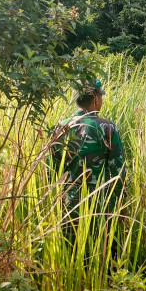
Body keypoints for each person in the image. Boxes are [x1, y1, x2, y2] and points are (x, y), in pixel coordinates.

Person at [49, 79, 126, 228]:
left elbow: (50, 169)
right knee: (102, 248)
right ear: (96, 99)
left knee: (71, 248)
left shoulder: (61, 127)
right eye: (101, 97)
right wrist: (121, 202)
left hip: (68, 205)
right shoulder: (106, 127)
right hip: (99, 204)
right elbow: (118, 171)